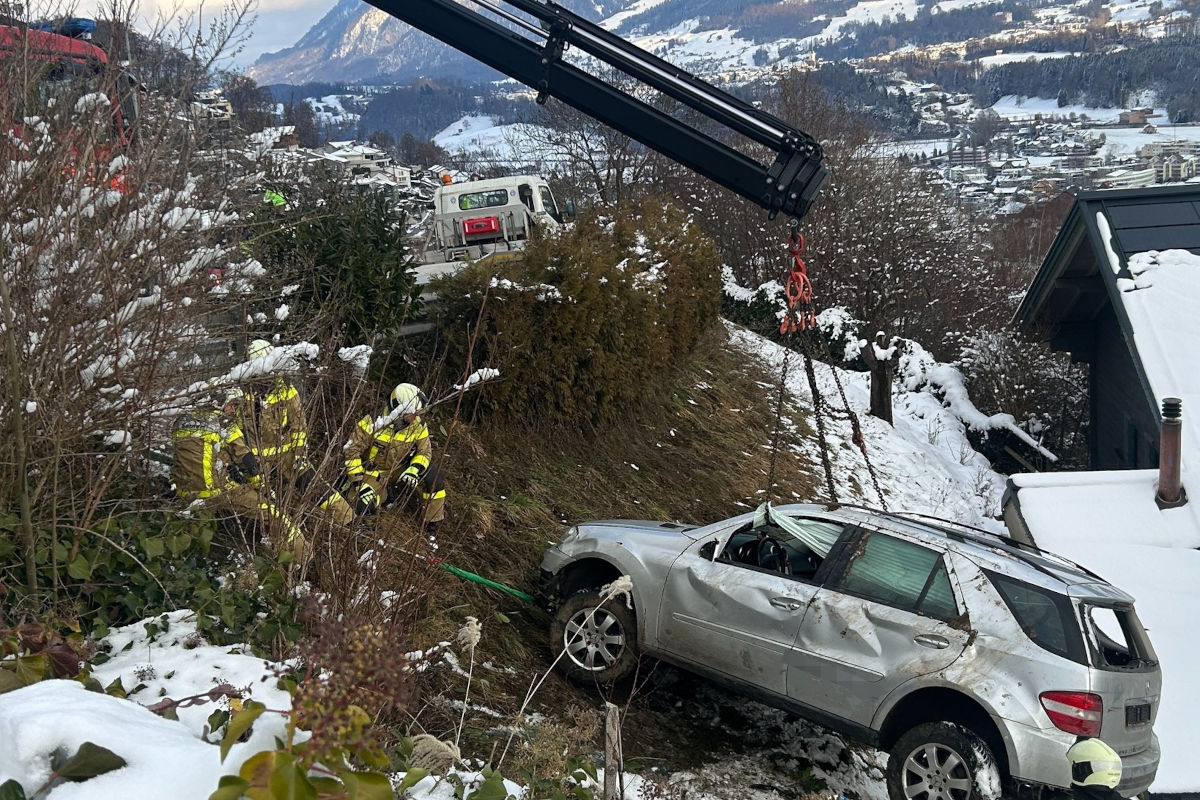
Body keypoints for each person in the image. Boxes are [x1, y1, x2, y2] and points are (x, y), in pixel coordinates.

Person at [171, 389, 307, 563]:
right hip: (216, 491)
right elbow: (246, 460)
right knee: (275, 515)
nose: (234, 411)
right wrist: (262, 488)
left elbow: (199, 455)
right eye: (232, 405)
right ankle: (305, 561)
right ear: (221, 402)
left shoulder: (181, 420)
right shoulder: (223, 422)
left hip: (185, 492)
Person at [343, 383, 446, 529]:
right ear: (399, 409)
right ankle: (382, 500)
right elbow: (351, 452)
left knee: (435, 476)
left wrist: (414, 469)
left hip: (398, 469)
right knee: (363, 503)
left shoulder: (418, 424)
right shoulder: (372, 423)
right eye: (413, 412)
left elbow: (424, 452)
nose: (417, 416)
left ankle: (431, 524)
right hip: (371, 474)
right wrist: (359, 484)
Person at [239, 339, 315, 492]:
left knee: (314, 487)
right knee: (262, 502)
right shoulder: (241, 396)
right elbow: (234, 431)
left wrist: (300, 454)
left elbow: (299, 425)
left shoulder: (286, 390)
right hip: (256, 461)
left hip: (288, 455)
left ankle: (347, 515)